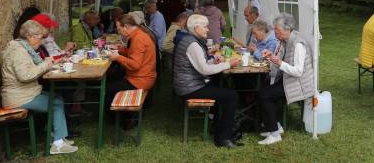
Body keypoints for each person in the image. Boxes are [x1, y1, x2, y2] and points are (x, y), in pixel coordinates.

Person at [1, 20, 78, 154]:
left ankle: (57, 137)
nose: (42, 42)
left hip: (22, 93)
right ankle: (57, 145)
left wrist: (52, 62)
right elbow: (25, 76)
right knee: (56, 102)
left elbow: (32, 68)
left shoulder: (21, 48)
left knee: (58, 97)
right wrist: (46, 65)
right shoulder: (18, 51)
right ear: (30, 36)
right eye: (40, 38)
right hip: (18, 97)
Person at [173, 14, 242, 148]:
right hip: (189, 88)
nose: (207, 29)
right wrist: (229, 64)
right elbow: (204, 70)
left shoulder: (190, 39)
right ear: (196, 28)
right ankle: (224, 138)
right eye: (205, 26)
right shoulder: (193, 44)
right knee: (231, 96)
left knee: (220, 85)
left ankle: (217, 127)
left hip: (188, 84)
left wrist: (213, 61)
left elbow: (199, 64)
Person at [257, 13, 315, 145]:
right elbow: (281, 58)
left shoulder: (298, 44)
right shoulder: (285, 40)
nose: (276, 34)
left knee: (265, 94)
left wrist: (280, 63)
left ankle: (275, 133)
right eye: (275, 31)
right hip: (290, 80)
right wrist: (271, 55)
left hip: (300, 85)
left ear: (287, 29)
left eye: (278, 31)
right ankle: (276, 126)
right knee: (264, 88)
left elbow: (298, 71)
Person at [106, 14, 157, 110]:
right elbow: (133, 52)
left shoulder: (138, 39)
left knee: (108, 88)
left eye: (119, 28)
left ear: (126, 27)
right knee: (113, 78)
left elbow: (135, 65)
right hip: (144, 77)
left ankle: (122, 119)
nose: (118, 31)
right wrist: (119, 49)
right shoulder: (139, 34)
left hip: (140, 80)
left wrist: (117, 57)